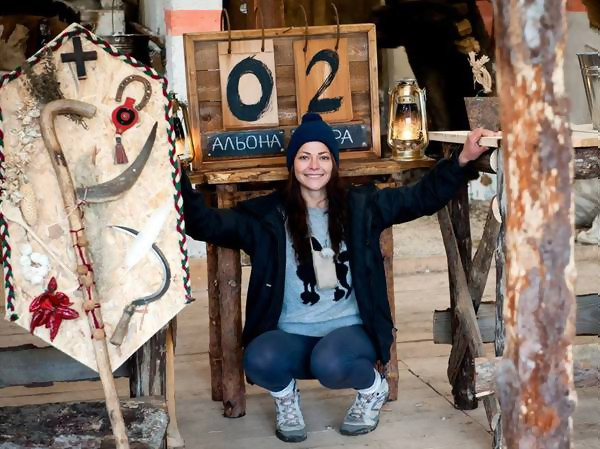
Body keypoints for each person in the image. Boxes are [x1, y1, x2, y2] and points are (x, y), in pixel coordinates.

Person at [181, 113, 496, 443]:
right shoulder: (267, 217)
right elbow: (205, 223)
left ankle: (373, 390)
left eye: (323, 157)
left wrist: (462, 159)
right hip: (292, 334)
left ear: (334, 162)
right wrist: (175, 176)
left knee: (329, 362)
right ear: (292, 164)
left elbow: (420, 198)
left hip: (350, 333)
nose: (313, 166)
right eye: (304, 157)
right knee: (258, 358)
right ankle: (286, 399)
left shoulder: (362, 207)